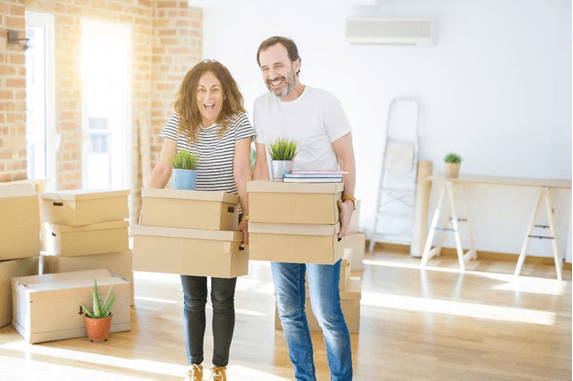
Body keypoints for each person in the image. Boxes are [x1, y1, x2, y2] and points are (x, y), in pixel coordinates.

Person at [252, 36, 356, 381]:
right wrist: (255, 213)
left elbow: (346, 158)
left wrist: (349, 201)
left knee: (327, 312)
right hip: (280, 219)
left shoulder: (325, 102)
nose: (272, 75)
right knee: (289, 311)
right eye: (265, 68)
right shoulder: (262, 106)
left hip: (319, 219)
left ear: (297, 64)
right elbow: (262, 165)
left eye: (278, 65)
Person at [148, 59, 255, 381]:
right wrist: (147, 209)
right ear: (192, 95)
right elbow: (163, 168)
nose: (208, 97)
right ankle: (194, 364)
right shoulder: (180, 122)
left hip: (225, 223)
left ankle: (219, 367)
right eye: (201, 90)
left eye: (215, 89)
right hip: (189, 222)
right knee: (193, 298)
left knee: (222, 298)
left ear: (225, 93)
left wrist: (248, 216)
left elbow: (241, 173)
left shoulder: (239, 122)